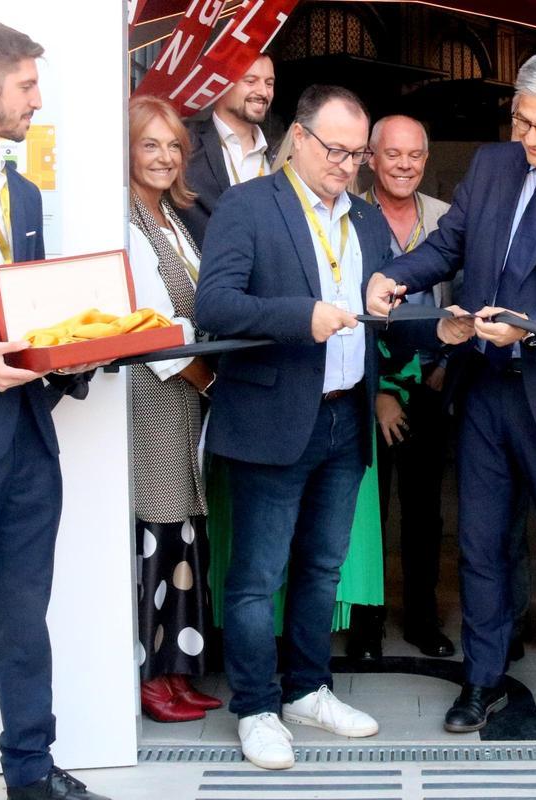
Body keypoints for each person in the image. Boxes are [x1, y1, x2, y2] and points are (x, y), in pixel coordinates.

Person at [367, 48, 536, 752]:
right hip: (484, 395)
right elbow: (449, 244)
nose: (530, 139)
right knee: (483, 550)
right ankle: (482, 678)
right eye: (522, 121)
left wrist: (527, 334)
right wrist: (393, 276)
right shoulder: (493, 168)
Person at [0, 20, 108, 800]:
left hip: (31, 443)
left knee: (25, 624)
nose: (37, 100)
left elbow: (30, 317)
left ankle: (30, 772)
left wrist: (78, 355)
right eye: (28, 86)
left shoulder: (25, 191)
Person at [194, 84, 390, 771]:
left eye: (356, 154)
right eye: (334, 150)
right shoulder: (249, 206)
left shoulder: (366, 221)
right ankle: (255, 705)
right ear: (299, 139)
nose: (346, 165)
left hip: (344, 415)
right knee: (256, 576)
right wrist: (296, 315)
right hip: (272, 417)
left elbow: (379, 306)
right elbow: (214, 304)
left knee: (321, 567)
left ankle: (308, 687)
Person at [125, 95, 223, 723]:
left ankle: (179, 672)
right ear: (128, 151)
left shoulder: (175, 217)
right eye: (149, 145)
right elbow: (155, 336)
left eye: (171, 146)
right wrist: (216, 383)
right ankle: (149, 680)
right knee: (157, 539)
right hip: (157, 401)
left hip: (186, 404)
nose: (163, 157)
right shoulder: (129, 224)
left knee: (185, 536)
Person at [347, 114, 456, 662]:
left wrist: (444, 367)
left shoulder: (445, 219)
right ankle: (366, 626)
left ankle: (421, 618)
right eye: (394, 154)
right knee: (369, 512)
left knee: (424, 512)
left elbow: (461, 296)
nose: (405, 165)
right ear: (370, 157)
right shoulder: (351, 215)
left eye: (415, 155)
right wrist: (381, 392)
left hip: (431, 387)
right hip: (369, 393)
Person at [177, 53, 276, 245]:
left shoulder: (278, 155)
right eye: (250, 81)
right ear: (221, 84)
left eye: (269, 83)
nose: (263, 92)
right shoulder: (185, 142)